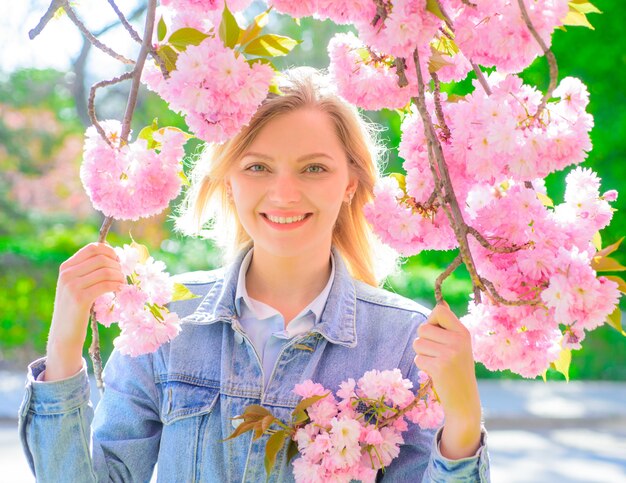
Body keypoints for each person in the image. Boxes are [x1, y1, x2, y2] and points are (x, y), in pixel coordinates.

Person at [18, 66, 490, 482]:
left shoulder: (404, 341)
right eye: (258, 167)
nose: (284, 194)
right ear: (228, 179)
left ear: (349, 183)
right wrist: (63, 346)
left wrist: (464, 420)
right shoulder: (163, 324)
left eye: (313, 168)